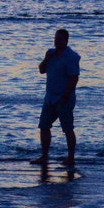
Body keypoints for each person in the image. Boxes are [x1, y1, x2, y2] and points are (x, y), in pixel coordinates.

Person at [32, 27, 80, 165]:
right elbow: (41, 70)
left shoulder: (71, 56)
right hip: (50, 97)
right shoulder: (50, 53)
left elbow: (74, 78)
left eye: (60, 39)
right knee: (44, 126)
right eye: (55, 38)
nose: (56, 41)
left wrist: (65, 96)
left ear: (66, 40)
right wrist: (46, 59)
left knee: (67, 128)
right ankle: (44, 156)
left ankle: (71, 158)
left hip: (63, 98)